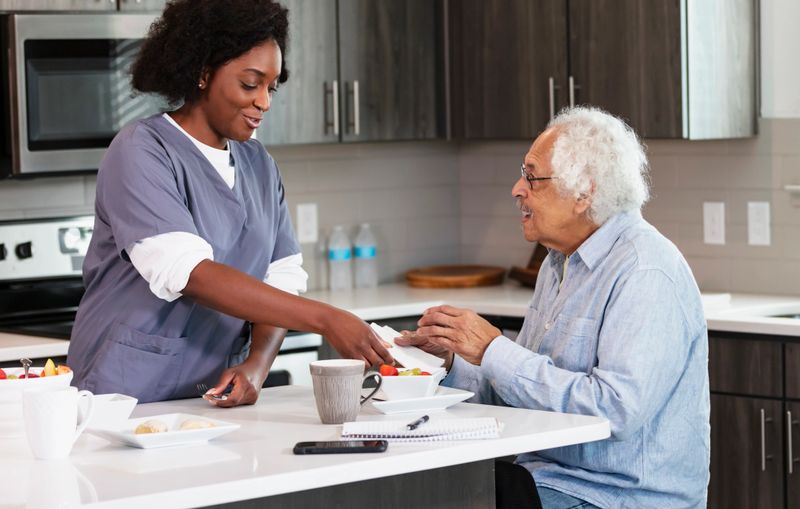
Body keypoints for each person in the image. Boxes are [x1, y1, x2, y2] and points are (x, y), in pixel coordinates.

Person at [67, 0, 392, 406]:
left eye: (271, 88)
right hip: (120, 396)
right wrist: (326, 319)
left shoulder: (258, 164)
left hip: (209, 399)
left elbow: (282, 276)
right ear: (203, 73)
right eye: (250, 84)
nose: (264, 103)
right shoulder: (141, 150)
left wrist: (256, 364)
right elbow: (189, 273)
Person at [397, 107, 710, 508]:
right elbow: (517, 392)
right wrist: (452, 361)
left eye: (532, 177)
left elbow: (615, 411)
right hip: (547, 481)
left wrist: (494, 350)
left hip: (616, 497)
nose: (517, 189)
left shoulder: (645, 271)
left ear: (584, 192)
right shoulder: (558, 262)